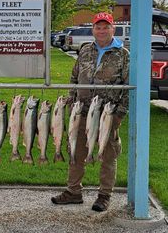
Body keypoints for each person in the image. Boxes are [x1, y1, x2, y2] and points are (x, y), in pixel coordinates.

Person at [51, 12, 129, 212]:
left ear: (113, 29)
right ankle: (73, 191)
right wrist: (72, 100)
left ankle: (104, 195)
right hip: (81, 111)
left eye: (106, 27)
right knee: (76, 152)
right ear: (93, 29)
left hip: (107, 114)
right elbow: (74, 78)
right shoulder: (85, 50)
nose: (102, 31)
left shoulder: (123, 54)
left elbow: (129, 87)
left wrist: (120, 113)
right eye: (98, 27)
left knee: (108, 155)